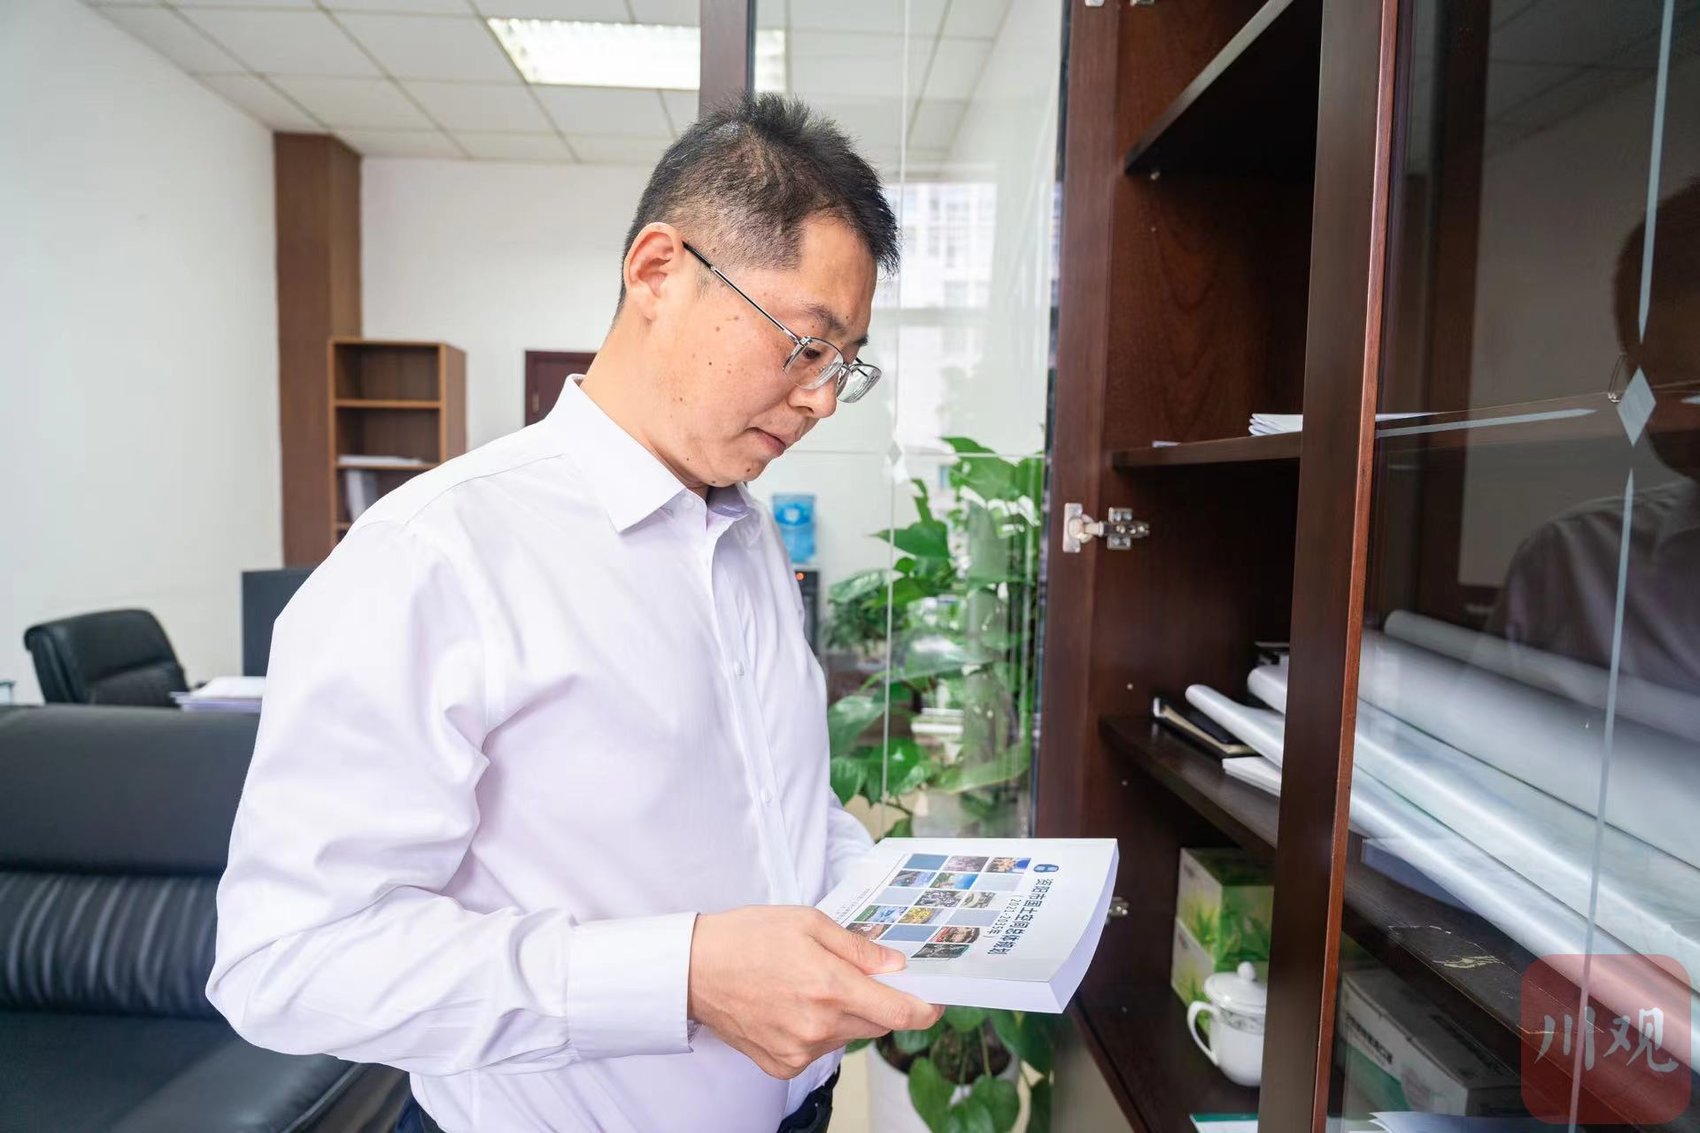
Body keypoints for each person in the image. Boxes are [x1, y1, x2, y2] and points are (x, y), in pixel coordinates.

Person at [207, 94, 943, 1133]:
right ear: (657, 270)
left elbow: (782, 807)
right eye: (803, 343)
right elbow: (289, 960)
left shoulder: (746, 537)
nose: (822, 398)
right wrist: (680, 974)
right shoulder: (437, 552)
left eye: (845, 364)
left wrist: (897, 904)